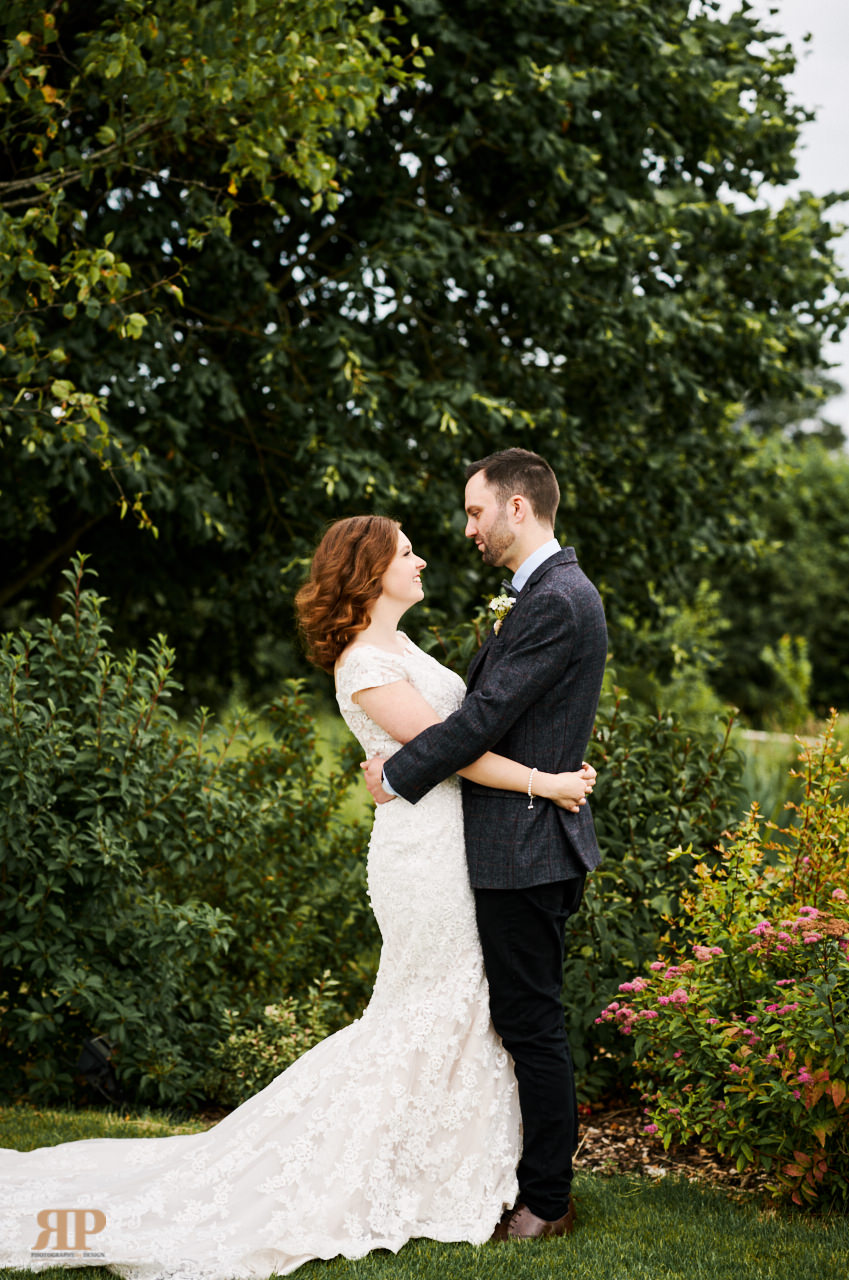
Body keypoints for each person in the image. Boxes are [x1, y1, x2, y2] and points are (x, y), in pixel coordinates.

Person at [0, 511, 595, 1279]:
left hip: (455, 844)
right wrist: (543, 781)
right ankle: (379, 1169)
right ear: (369, 570)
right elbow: (458, 748)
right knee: (424, 1009)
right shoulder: (363, 663)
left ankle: (448, 1169)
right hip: (424, 859)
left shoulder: (402, 646)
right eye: (406, 553)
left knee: (460, 1007)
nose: (422, 561)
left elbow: (461, 727)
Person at [361, 447, 608, 1242]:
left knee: (530, 1021)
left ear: (516, 507)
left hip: (526, 844)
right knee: (519, 1016)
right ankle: (517, 1180)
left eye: (474, 511)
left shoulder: (554, 600)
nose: (465, 527)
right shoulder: (535, 594)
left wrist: (398, 774)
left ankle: (545, 1201)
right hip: (516, 837)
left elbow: (480, 720)